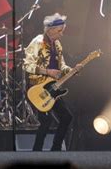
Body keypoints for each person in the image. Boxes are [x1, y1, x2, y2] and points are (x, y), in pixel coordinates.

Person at [23, 13, 82, 151]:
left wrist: (72, 70)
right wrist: (47, 72)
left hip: (53, 88)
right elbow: (26, 65)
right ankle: (36, 152)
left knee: (67, 117)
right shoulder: (37, 42)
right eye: (59, 31)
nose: (61, 34)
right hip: (37, 89)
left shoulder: (57, 44)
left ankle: (55, 149)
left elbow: (62, 66)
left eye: (62, 31)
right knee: (46, 121)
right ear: (49, 30)